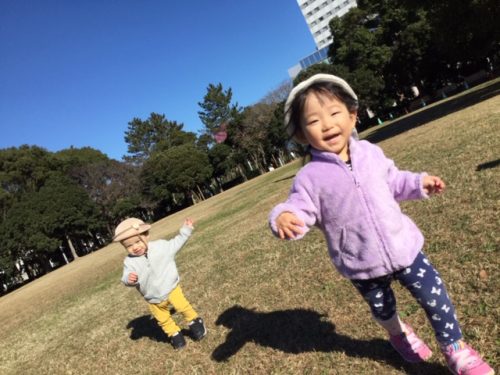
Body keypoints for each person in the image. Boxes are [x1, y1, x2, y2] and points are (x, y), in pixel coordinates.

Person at [268, 74, 494, 375]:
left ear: (352, 116)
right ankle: (398, 333)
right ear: (301, 134)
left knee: (434, 295)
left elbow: (394, 180)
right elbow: (298, 207)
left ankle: (456, 350)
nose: (327, 124)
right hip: (361, 262)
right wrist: (283, 216)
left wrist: (419, 182)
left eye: (335, 113)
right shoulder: (309, 178)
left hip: (404, 247)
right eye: (313, 121)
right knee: (383, 309)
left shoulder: (371, 153)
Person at [113, 217, 206, 349]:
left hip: (171, 288)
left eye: (138, 241)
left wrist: (185, 230)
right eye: (129, 245)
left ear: (146, 236)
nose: (135, 247)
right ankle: (174, 334)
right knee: (163, 319)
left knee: (182, 307)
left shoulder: (161, 247)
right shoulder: (129, 262)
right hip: (152, 298)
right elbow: (125, 277)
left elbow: (176, 243)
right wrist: (129, 279)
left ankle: (195, 321)